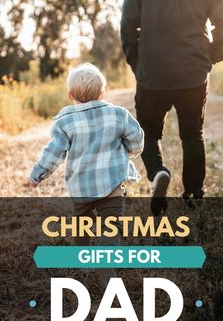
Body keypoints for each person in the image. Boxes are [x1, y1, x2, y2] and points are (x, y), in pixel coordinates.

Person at [121, 0, 223, 210]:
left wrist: (138, 65)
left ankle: (158, 172)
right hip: (193, 74)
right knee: (193, 134)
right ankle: (193, 194)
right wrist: (212, 55)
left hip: (152, 74)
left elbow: (127, 27)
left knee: (148, 133)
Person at [29, 63, 144, 285]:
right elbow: (137, 138)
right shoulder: (119, 114)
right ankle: (107, 267)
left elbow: (53, 153)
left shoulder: (65, 122)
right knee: (111, 226)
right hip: (112, 186)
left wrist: (37, 175)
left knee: (82, 222)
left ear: (69, 94)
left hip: (81, 188)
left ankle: (82, 259)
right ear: (102, 93)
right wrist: (130, 152)